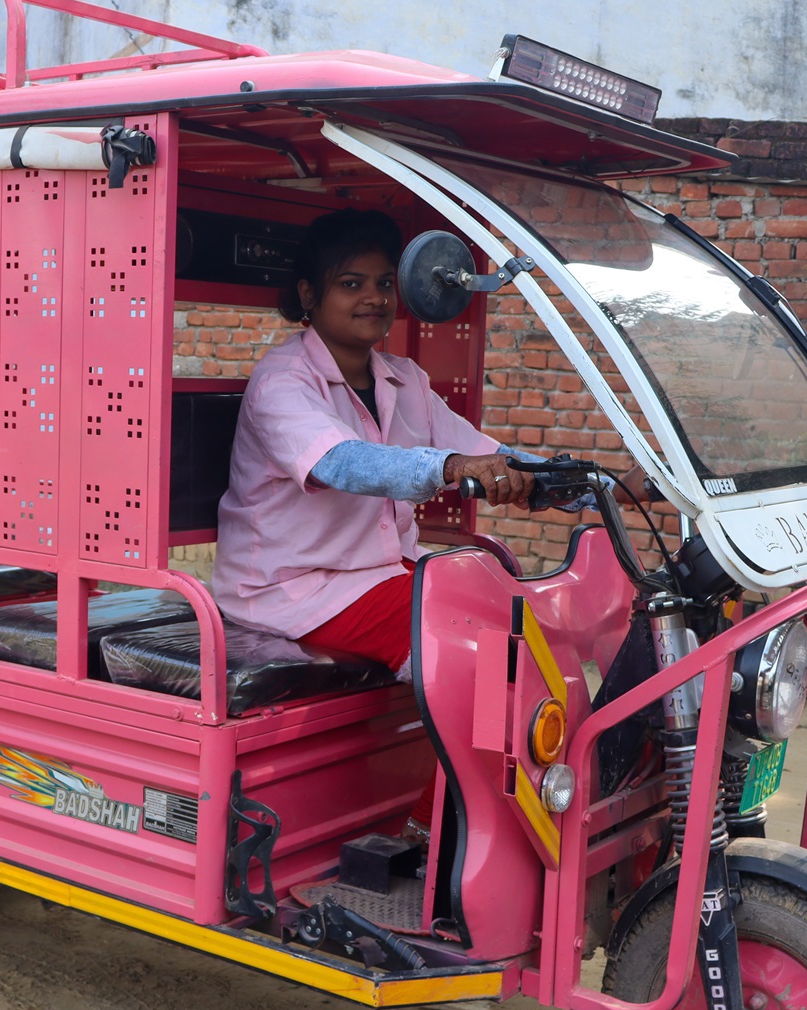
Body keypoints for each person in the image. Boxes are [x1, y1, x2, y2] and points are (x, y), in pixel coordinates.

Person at [213, 207, 633, 677]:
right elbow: (340, 463)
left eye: (384, 284)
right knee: (481, 653)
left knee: (515, 612)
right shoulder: (282, 382)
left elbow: (488, 455)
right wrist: (452, 467)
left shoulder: (405, 380)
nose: (373, 298)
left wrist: (607, 486)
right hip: (295, 591)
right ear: (309, 294)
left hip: (382, 576)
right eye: (351, 284)